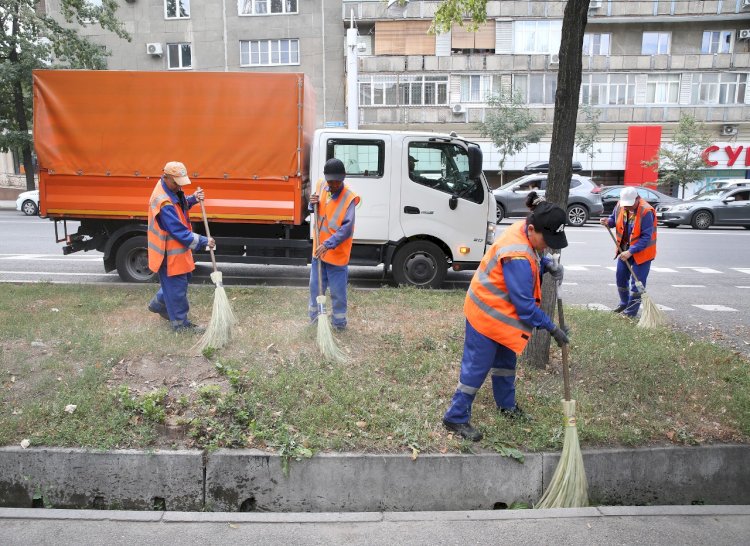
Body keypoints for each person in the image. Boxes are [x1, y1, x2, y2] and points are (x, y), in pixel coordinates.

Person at [442, 199, 569, 442]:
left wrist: (545, 263)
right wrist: (552, 328)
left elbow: (533, 254)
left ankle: (506, 406)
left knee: (505, 362)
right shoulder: (517, 254)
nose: (548, 247)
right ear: (532, 230)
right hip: (486, 314)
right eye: (547, 243)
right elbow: (525, 307)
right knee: (476, 367)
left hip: (502, 315)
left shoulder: (525, 231)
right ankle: (455, 417)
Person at [147, 161, 215, 332]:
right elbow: (177, 230)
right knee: (176, 288)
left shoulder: (170, 190)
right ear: (166, 177)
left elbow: (179, 203)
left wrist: (192, 199)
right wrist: (204, 241)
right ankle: (180, 325)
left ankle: (157, 304)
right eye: (176, 182)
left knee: (180, 282)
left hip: (176, 251)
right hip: (167, 253)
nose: (179, 186)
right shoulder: (163, 202)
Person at [308, 158, 360, 330]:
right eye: (331, 181)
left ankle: (339, 324)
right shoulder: (322, 185)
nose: (334, 184)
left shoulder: (349, 198)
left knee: (338, 294)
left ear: (343, 177)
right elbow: (317, 208)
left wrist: (329, 244)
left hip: (336, 256)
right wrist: (311, 203)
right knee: (316, 289)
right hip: (319, 253)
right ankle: (316, 320)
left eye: (337, 181)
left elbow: (346, 229)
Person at [599, 186, 657, 317]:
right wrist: (608, 221)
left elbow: (646, 237)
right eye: (625, 205)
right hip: (623, 250)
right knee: (620, 278)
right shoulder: (621, 204)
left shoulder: (646, 211)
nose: (627, 208)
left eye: (630, 205)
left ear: (637, 199)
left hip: (642, 254)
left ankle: (630, 313)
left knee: (637, 285)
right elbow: (614, 220)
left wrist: (631, 251)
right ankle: (624, 303)